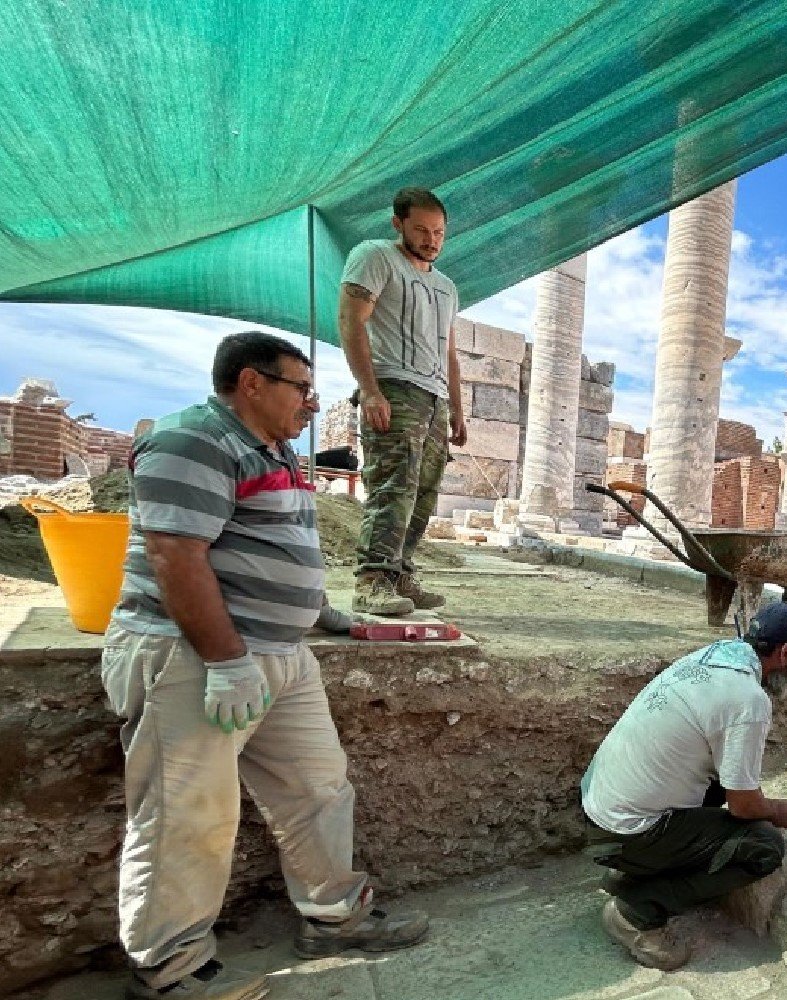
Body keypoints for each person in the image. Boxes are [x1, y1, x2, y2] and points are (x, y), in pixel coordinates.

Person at [103, 332, 429, 1000]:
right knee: (185, 814)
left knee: (318, 788)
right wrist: (226, 661)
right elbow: (177, 556)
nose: (312, 404)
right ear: (252, 383)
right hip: (196, 658)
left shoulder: (274, 451)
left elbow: (268, 546)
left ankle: (331, 916)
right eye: (301, 388)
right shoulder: (195, 440)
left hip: (280, 658)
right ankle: (171, 971)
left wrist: (321, 612)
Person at [580, 602, 787, 970]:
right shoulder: (748, 699)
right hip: (624, 829)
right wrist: (778, 810)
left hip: (596, 809)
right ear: (786, 652)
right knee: (763, 846)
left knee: (718, 784)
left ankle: (634, 867)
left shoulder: (710, 656)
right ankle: (638, 911)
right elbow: (743, 805)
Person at [339, 186, 469, 617]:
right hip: (394, 387)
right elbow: (350, 319)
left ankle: (400, 573)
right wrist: (370, 389)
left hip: (434, 399)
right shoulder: (375, 257)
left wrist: (457, 409)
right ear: (397, 224)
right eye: (421, 230)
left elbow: (448, 352)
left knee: (425, 493)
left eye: (439, 232)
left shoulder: (447, 287)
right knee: (393, 486)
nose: (431, 240)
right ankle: (372, 580)